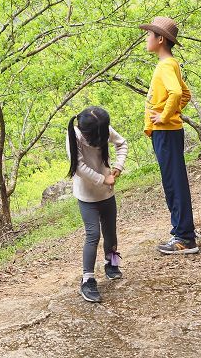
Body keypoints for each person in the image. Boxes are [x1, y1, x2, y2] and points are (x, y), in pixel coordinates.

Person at [138, 16, 198, 254]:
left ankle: (184, 237)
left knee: (173, 183)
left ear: (160, 39)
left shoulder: (165, 66)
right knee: (175, 181)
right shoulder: (171, 64)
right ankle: (183, 232)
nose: (146, 38)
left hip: (166, 131)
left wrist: (164, 116)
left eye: (149, 35)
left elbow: (176, 93)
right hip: (169, 131)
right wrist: (172, 112)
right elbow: (186, 94)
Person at [66, 106, 128, 303]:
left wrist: (117, 167)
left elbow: (122, 143)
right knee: (93, 234)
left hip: (106, 193)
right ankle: (87, 280)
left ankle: (112, 264)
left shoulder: (102, 128)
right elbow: (79, 167)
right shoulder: (74, 136)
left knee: (111, 232)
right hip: (87, 195)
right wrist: (103, 179)